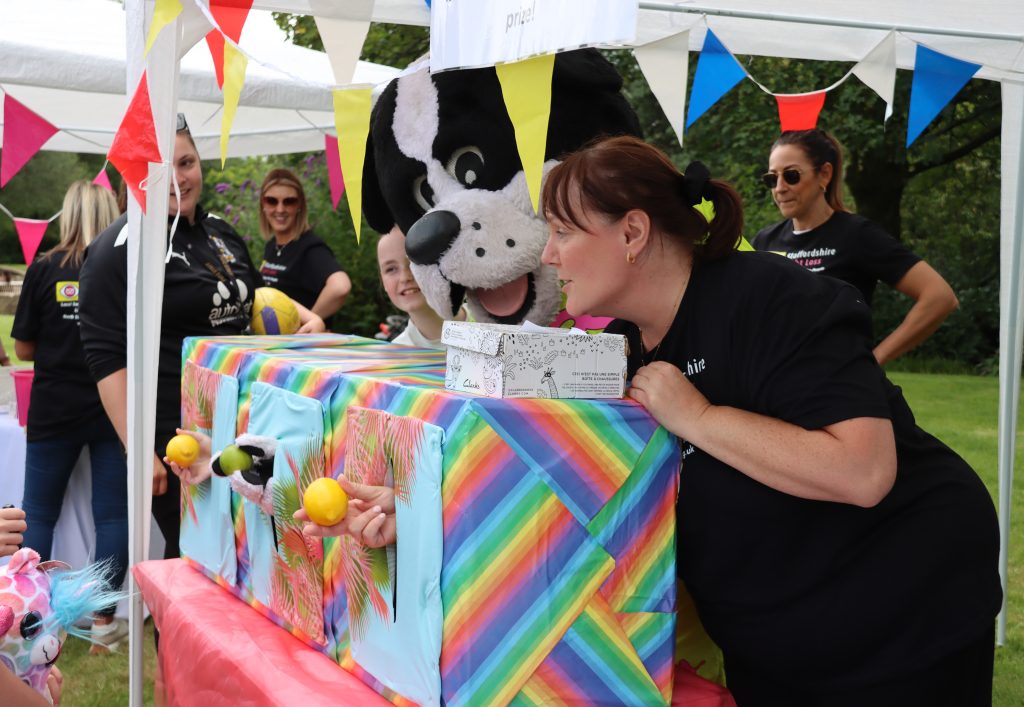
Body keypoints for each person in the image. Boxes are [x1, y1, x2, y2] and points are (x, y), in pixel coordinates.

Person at [538, 135, 1000, 704]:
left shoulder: (771, 297)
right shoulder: (620, 349)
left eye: (562, 232)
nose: (547, 255)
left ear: (632, 233)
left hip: (903, 616)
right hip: (775, 643)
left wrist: (699, 417)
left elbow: (862, 470)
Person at [79, 115, 325, 567]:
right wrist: (140, 449)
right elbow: (104, 356)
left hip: (244, 423)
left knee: (248, 552)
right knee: (195, 557)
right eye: (162, 169)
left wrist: (309, 317)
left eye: (186, 162)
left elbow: (252, 300)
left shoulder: (220, 232)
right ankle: (175, 637)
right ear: (137, 177)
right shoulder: (118, 249)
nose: (179, 178)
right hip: (177, 436)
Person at [11, 181, 129, 652]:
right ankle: (103, 624)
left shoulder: (44, 268)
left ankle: (31, 620)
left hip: (54, 409)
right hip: (111, 407)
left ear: (66, 213)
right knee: (113, 518)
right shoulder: (124, 267)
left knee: (37, 514)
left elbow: (22, 346)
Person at [751, 129, 958, 366]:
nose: (779, 188)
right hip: (778, 390)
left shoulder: (856, 235)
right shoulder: (764, 241)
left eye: (791, 175)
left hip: (837, 391)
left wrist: (875, 359)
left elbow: (939, 296)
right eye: (771, 178)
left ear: (824, 175)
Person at [258, 168, 351, 328]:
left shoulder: (310, 248)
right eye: (272, 201)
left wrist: (309, 322)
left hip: (301, 348)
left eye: (289, 201)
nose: (280, 209)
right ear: (263, 205)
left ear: (299, 205)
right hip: (278, 346)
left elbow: (340, 287)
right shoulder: (272, 247)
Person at [376, 225, 466, 348]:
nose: (404, 277)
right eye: (391, 269)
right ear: (383, 282)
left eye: (413, 262)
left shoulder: (491, 319)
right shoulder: (396, 357)